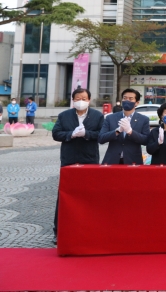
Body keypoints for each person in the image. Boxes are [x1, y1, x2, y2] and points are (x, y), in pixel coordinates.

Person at [51, 88, 104, 243]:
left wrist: (87, 134)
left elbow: (101, 135)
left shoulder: (97, 116)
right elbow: (56, 134)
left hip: (89, 159)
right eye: (78, 98)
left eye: (84, 98)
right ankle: (59, 231)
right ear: (73, 100)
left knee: (90, 195)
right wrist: (71, 134)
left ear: (89, 100)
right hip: (69, 159)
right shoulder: (64, 116)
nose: (81, 101)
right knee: (64, 195)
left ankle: (90, 229)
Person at [99, 89, 150, 164]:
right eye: (125, 98)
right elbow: (101, 138)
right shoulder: (110, 118)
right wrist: (117, 131)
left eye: (130, 99)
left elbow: (146, 140)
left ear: (137, 103)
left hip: (133, 160)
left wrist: (130, 132)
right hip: (112, 160)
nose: (127, 100)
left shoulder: (143, 119)